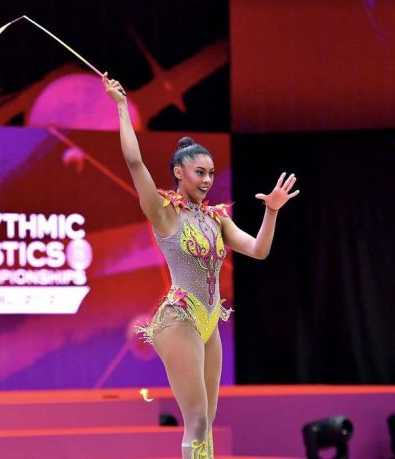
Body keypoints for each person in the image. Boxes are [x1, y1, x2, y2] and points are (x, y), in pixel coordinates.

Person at [102, 73, 299, 459]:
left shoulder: (217, 219)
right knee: (194, 419)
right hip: (180, 317)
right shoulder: (164, 214)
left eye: (211, 173)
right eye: (199, 172)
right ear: (179, 173)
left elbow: (258, 250)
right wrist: (122, 106)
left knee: (206, 421)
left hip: (210, 320)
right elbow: (133, 160)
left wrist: (271, 212)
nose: (208, 180)